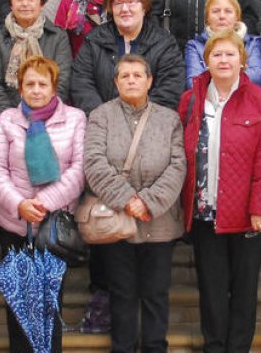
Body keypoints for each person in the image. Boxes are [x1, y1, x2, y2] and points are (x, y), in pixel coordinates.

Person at [178, 31, 261, 353]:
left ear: (242, 60)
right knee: (211, 289)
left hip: (249, 214)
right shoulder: (191, 99)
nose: (223, 60)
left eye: (230, 54)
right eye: (217, 55)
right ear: (206, 60)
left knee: (244, 290)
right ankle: (214, 347)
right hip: (205, 210)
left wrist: (260, 206)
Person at [82, 54, 186, 353]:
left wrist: (149, 202)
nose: (131, 80)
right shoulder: (101, 116)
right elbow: (94, 163)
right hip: (117, 221)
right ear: (115, 82)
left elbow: (178, 165)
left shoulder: (169, 119)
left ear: (149, 81)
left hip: (160, 220)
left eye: (137, 75)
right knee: (122, 294)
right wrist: (128, 200)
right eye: (124, 76)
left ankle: (156, 348)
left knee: (156, 294)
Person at [0, 56, 87, 353]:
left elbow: (79, 170)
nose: (36, 89)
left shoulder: (75, 118)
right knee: (18, 303)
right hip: (14, 225)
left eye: (43, 83)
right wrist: (20, 205)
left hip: (54, 227)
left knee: (48, 301)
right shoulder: (7, 120)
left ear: (54, 86)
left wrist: (42, 204)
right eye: (29, 84)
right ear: (20, 88)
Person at [71, 0, 185, 117]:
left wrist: (139, 119)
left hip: (150, 126)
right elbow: (82, 83)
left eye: (131, 2)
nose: (125, 9)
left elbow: (170, 88)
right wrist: (104, 118)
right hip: (103, 124)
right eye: (118, 3)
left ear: (144, 7)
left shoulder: (164, 43)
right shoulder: (94, 40)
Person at [0, 0, 72, 128]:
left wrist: (42, 116)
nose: (25, 3)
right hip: (7, 121)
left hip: (50, 120)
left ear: (42, 3)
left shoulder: (57, 37)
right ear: (11, 3)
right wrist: (14, 120)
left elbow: (61, 82)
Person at [184, 0, 261, 88]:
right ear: (207, 18)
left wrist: (216, 77)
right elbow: (193, 83)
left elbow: (258, 77)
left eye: (228, 11)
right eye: (215, 11)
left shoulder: (252, 43)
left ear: (237, 17)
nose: (222, 16)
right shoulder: (194, 46)